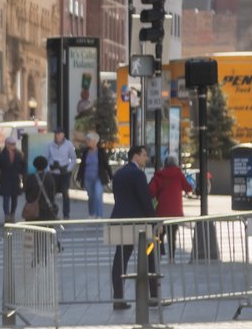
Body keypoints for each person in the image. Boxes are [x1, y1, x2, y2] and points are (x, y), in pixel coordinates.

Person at [109, 144, 159, 310]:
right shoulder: (138, 174)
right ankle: (153, 295)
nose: (146, 158)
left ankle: (118, 298)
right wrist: (154, 220)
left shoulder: (119, 174)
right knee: (149, 257)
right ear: (135, 156)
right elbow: (145, 200)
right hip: (139, 224)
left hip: (120, 220)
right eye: (144, 155)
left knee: (120, 259)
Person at [149, 155, 193, 256]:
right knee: (172, 235)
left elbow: (151, 191)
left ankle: (159, 253)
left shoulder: (159, 175)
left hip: (162, 211)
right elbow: (188, 188)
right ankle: (171, 257)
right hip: (175, 212)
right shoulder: (179, 174)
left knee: (159, 233)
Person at [74, 131, 112, 219]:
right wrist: (79, 176)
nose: (87, 141)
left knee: (98, 195)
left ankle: (99, 215)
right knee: (91, 197)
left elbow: (106, 164)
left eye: (89, 140)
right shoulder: (86, 152)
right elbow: (82, 165)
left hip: (98, 177)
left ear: (95, 141)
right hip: (88, 177)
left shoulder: (101, 152)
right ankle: (92, 214)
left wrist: (110, 175)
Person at [0, 136, 27, 223]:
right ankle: (7, 215)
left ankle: (12, 213)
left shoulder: (19, 154)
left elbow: (23, 167)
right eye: (11, 144)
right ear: (7, 145)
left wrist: (22, 175)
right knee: (6, 198)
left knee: (14, 198)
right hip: (5, 178)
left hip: (15, 179)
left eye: (14, 144)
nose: (13, 146)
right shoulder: (1, 155)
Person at [46, 129, 77, 219]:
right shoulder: (50, 145)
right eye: (56, 134)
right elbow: (46, 158)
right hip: (54, 172)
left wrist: (68, 169)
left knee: (65, 193)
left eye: (59, 135)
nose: (57, 136)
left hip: (64, 173)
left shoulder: (68, 145)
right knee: (52, 193)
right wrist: (49, 169)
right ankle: (52, 213)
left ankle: (66, 214)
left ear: (63, 135)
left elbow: (73, 158)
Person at [23, 155, 59, 222]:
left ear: (34, 165)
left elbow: (27, 194)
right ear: (45, 165)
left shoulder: (30, 178)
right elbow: (53, 193)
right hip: (47, 210)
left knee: (33, 230)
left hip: (33, 211)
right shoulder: (50, 178)